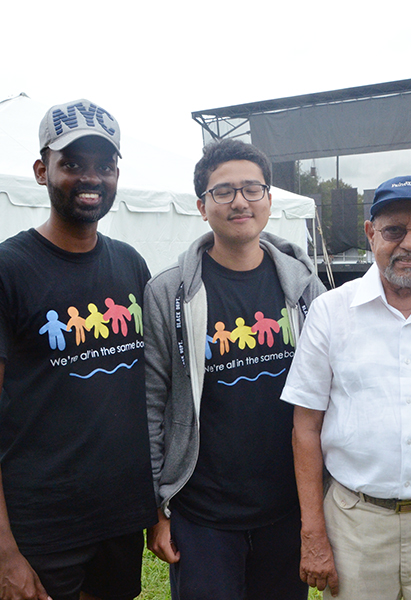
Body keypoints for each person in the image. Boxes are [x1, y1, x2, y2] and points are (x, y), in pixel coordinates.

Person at [281, 175, 411, 600]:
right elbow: (305, 429)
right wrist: (313, 532)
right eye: (395, 230)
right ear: (371, 233)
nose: (410, 245)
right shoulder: (330, 313)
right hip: (354, 523)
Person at [144, 139, 326, 600]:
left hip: (290, 510)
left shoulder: (306, 289)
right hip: (203, 515)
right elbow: (151, 402)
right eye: (223, 192)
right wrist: (157, 508)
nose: (239, 201)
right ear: (202, 206)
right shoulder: (169, 293)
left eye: (252, 188)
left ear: (268, 200)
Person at [0, 99, 157, 600]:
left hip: (119, 516)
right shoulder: (10, 269)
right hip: (41, 525)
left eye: (105, 166)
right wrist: (4, 549)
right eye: (73, 164)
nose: (92, 178)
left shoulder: (130, 264)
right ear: (42, 170)